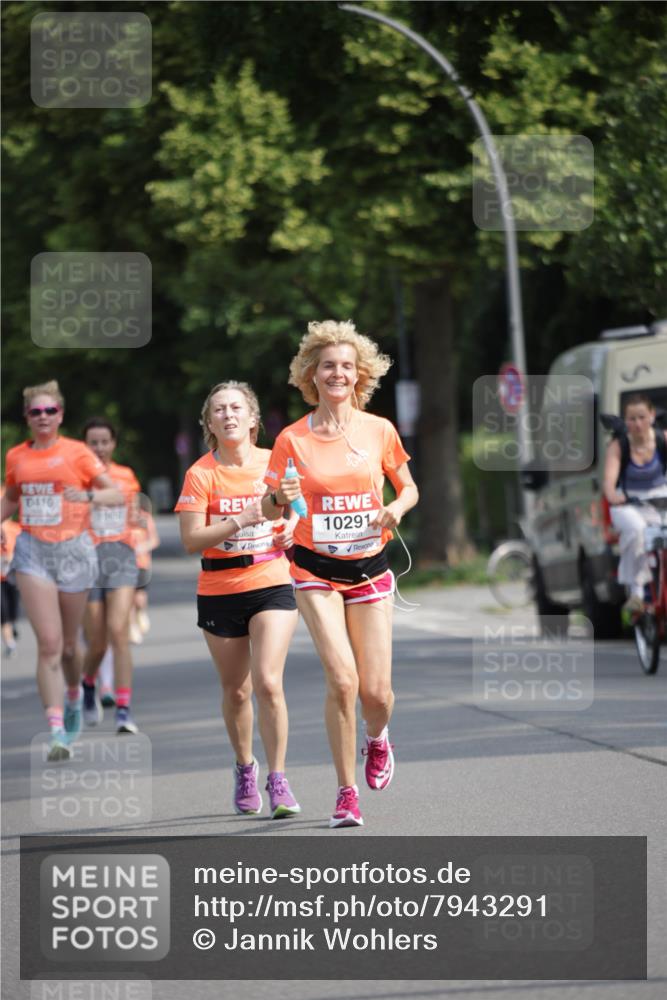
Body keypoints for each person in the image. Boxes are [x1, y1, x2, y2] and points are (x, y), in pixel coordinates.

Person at [264, 320, 418, 828]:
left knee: (377, 692)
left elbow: (410, 487)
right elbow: (271, 505)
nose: (338, 373)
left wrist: (397, 509)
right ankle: (345, 791)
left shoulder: (379, 430)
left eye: (347, 366)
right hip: (314, 572)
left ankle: (377, 738)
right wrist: (280, 508)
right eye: (328, 365)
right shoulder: (292, 439)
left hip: (371, 569)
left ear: (360, 375)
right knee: (342, 678)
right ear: (312, 373)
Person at [175, 381, 301, 819]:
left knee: (268, 681)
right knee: (238, 691)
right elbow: (191, 540)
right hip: (220, 589)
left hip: (271, 579)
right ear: (209, 423)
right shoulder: (200, 474)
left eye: (236, 408)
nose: (228, 415)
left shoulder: (277, 463)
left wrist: (289, 530)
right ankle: (246, 767)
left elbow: (300, 513)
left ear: (252, 417)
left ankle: (278, 779)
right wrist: (239, 520)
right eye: (218, 410)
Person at [1, 381, 120, 760]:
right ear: (27, 417)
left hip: (74, 551)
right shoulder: (17, 456)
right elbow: (12, 497)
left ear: (61, 415)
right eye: (35, 412)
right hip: (33, 551)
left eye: (49, 411)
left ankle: (73, 695)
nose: (43, 417)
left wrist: (85, 495)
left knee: (70, 647)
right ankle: (55, 729)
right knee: (49, 643)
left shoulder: (78, 453)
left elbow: (114, 493)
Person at [80, 418, 143, 734]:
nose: (100, 448)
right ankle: (88, 682)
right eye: (93, 442)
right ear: (84, 446)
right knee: (98, 643)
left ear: (113, 443)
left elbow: (136, 522)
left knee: (119, 632)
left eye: (105, 441)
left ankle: (123, 710)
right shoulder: (77, 479)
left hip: (120, 557)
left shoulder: (126, 477)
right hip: (86, 561)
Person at [603, 394, 667, 614]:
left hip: (660, 500)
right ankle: (638, 593)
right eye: (631, 419)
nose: (637, 424)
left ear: (651, 416)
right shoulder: (619, 446)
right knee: (637, 531)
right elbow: (609, 484)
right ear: (625, 420)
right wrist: (614, 496)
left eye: (641, 417)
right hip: (629, 502)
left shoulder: (662, 439)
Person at [129, 508, 160, 644]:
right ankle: (132, 627)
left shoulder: (145, 517)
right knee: (127, 597)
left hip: (141, 563)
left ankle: (140, 612)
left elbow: (154, 540)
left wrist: (142, 547)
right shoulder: (121, 517)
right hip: (124, 565)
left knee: (139, 598)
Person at [1, 503, 21, 658]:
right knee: (3, 610)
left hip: (13, 576)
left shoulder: (16, 528)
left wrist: (11, 559)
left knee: (13, 609)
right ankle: (9, 642)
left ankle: (12, 626)